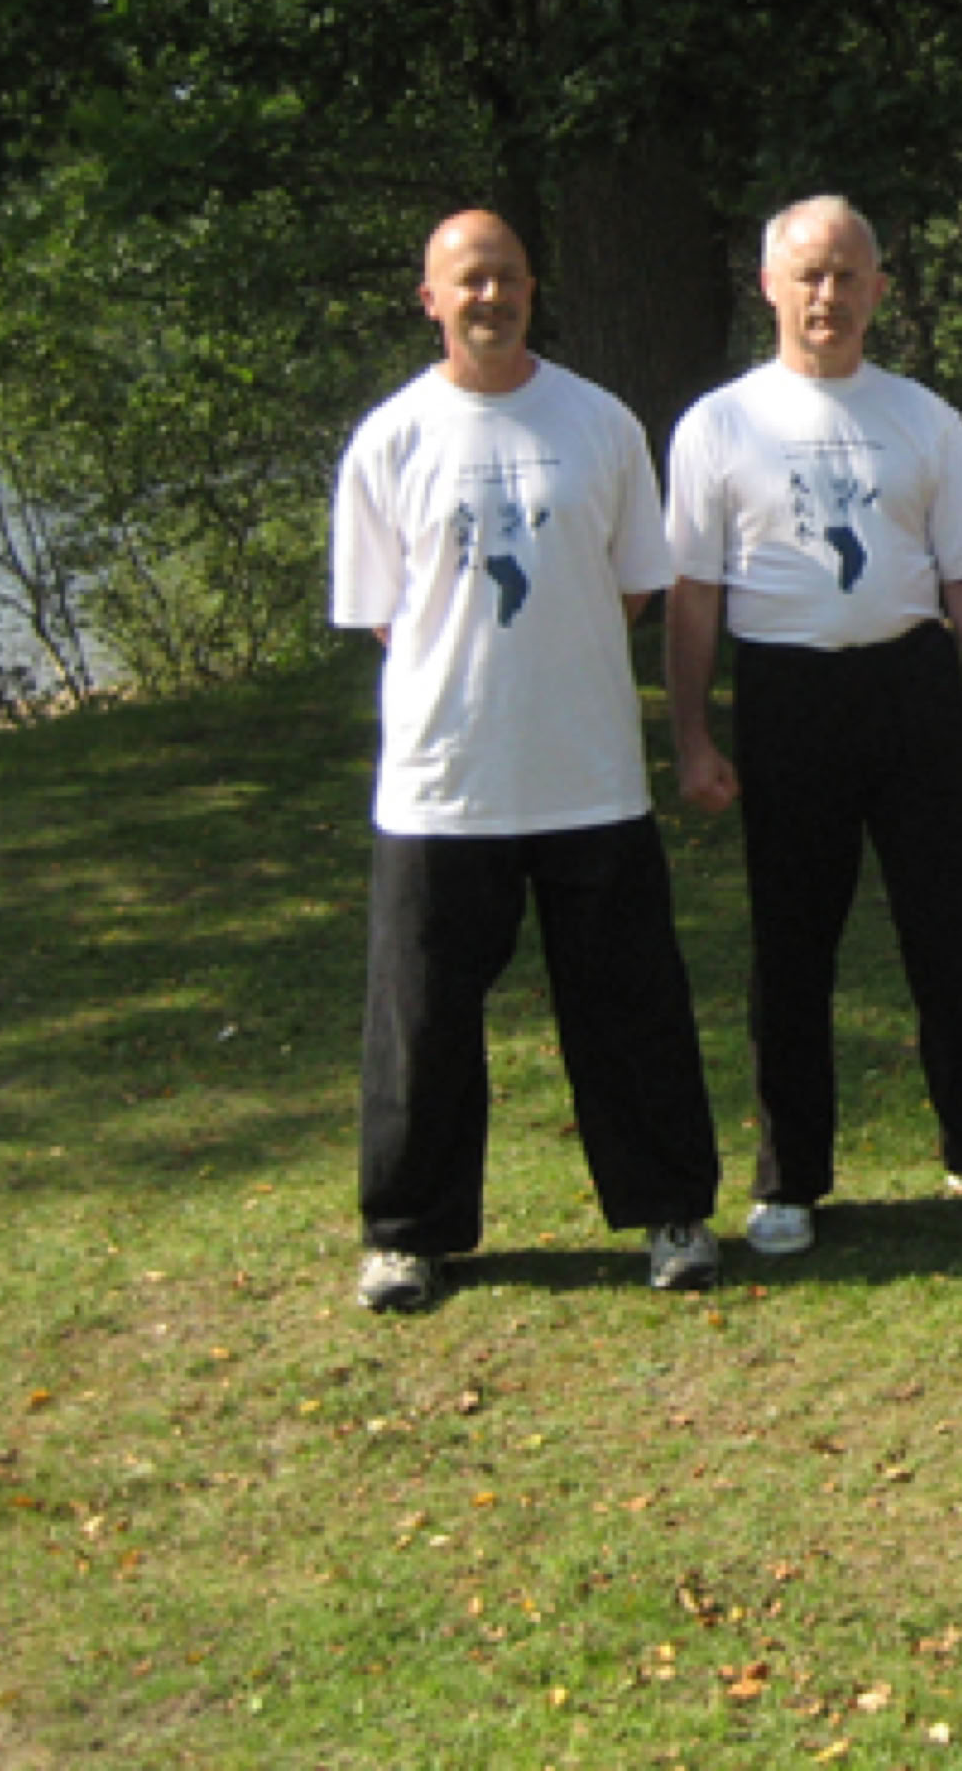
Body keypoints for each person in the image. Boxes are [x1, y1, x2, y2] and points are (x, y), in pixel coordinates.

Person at [330, 209, 722, 1312]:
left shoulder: (600, 424)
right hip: (442, 784)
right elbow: (385, 615)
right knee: (421, 1024)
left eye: (505, 277)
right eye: (468, 281)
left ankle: (672, 1213)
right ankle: (409, 1235)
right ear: (430, 300)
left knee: (631, 1010)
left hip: (587, 773)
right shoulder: (392, 438)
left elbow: (632, 586)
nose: (489, 297)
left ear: (533, 289)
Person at [663, 195, 962, 1259]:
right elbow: (694, 594)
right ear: (769, 286)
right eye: (808, 274)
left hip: (911, 687)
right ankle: (790, 1179)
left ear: (878, 288)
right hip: (786, 694)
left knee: (952, 928)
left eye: (846, 275)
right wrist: (693, 735)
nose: (827, 294)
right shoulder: (719, 424)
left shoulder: (923, 418)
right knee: (792, 943)